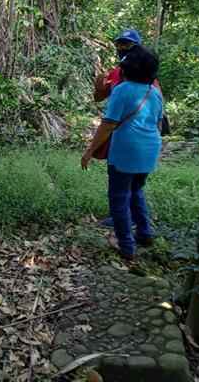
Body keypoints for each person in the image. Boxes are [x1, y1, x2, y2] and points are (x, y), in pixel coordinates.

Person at [81, 46, 163, 261]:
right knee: (136, 191)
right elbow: (158, 122)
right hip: (150, 149)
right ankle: (145, 234)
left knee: (118, 198)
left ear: (128, 69)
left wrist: (89, 151)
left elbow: (108, 124)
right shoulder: (155, 92)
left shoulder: (122, 90)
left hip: (126, 149)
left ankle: (126, 246)